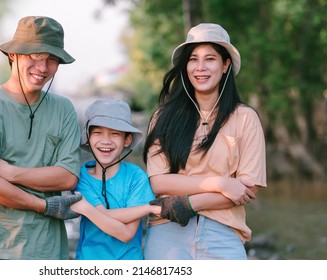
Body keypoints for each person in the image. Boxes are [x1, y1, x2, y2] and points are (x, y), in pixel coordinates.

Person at [0, 16, 82, 260]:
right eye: (35, 55)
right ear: (13, 55)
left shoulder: (64, 109)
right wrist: (44, 205)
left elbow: (67, 176)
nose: (43, 67)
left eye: (52, 59)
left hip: (48, 251)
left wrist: (9, 173)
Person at [142, 23, 267, 260]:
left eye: (210, 59)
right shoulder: (164, 117)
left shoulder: (245, 118)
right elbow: (159, 182)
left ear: (225, 64)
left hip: (224, 232)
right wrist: (220, 183)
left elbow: (248, 188)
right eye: (193, 59)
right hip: (167, 229)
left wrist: (188, 204)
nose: (200, 68)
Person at [69, 98, 159, 260]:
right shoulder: (82, 175)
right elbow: (103, 214)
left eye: (115, 134)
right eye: (97, 133)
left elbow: (126, 234)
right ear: (88, 137)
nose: (106, 141)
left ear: (127, 140)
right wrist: (148, 208)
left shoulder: (136, 177)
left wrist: (85, 209)